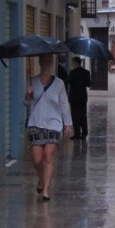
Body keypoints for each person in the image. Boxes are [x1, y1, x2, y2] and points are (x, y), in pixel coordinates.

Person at [25, 53, 73, 201]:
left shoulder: (59, 83)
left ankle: (46, 189)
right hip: (36, 123)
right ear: (40, 62)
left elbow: (64, 105)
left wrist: (68, 124)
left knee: (48, 155)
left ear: (52, 63)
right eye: (44, 60)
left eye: (49, 61)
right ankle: (41, 178)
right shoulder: (32, 81)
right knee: (37, 159)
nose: (47, 63)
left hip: (53, 124)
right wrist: (28, 95)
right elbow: (26, 103)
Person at [67, 56, 91, 139]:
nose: (72, 64)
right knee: (83, 115)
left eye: (72, 62)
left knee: (75, 116)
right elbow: (89, 84)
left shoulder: (72, 72)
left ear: (75, 63)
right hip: (82, 98)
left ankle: (77, 134)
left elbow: (68, 82)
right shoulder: (86, 72)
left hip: (74, 98)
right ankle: (84, 133)